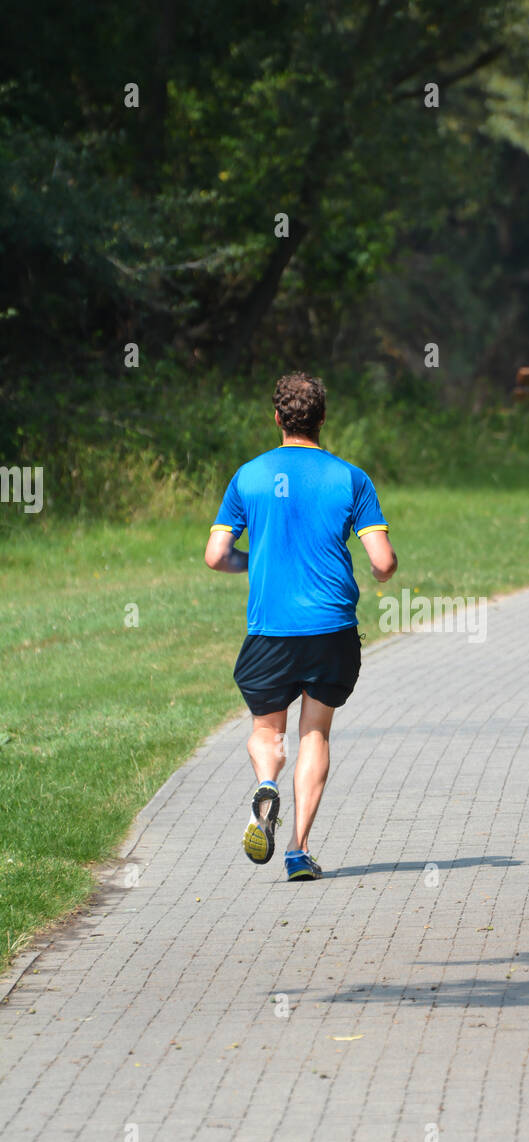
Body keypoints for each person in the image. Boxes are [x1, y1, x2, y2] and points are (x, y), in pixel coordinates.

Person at [205, 372, 397, 880]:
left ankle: (267, 781)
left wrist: (260, 559)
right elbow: (383, 561)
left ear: (276, 418)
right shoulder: (350, 478)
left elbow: (216, 555)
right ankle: (296, 849)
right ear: (323, 419)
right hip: (331, 629)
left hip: (270, 630)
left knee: (267, 730)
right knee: (316, 732)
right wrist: (378, 569)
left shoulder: (248, 476)